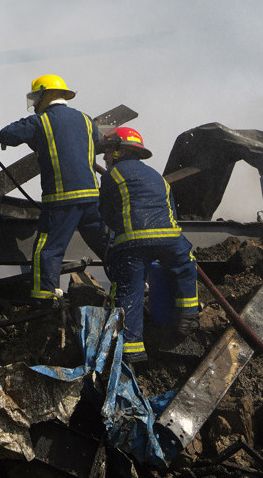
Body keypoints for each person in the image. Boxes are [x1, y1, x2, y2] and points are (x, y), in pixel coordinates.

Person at [0, 74, 108, 305]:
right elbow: (98, 143)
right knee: (106, 243)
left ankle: (45, 298)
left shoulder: (40, 122)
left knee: (48, 248)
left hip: (62, 199)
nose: (35, 103)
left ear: (46, 95)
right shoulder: (86, 120)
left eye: (36, 98)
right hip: (92, 197)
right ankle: (134, 283)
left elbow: (9, 134)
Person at [97, 126, 200, 364]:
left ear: (120, 152)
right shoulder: (156, 176)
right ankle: (188, 317)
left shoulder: (111, 176)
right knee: (185, 266)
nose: (104, 157)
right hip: (170, 238)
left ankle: (132, 355)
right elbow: (171, 210)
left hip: (133, 242)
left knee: (129, 292)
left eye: (108, 151)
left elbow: (107, 214)